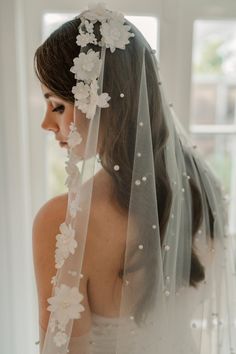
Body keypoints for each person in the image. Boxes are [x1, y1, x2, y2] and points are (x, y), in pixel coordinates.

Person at [32, 3, 236, 354]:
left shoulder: (64, 220)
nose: (47, 125)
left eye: (58, 106)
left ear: (103, 103)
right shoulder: (204, 188)